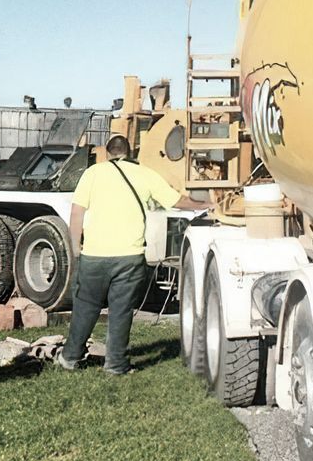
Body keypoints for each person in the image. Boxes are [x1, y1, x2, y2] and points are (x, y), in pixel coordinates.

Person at [57, 134, 210, 374]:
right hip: (129, 257)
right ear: (129, 153)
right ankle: (115, 364)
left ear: (107, 153)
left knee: (86, 307)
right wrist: (205, 204)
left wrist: (76, 247)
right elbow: (176, 200)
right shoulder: (144, 174)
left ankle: (70, 357)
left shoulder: (93, 174)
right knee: (121, 311)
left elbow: (77, 213)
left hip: (94, 256)